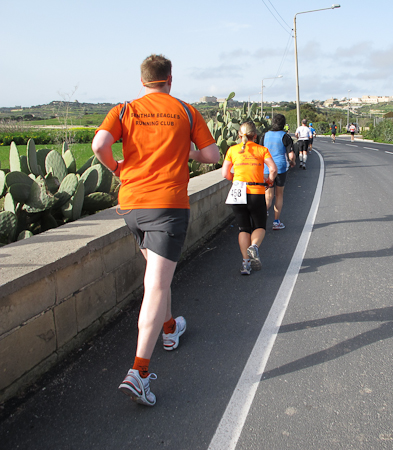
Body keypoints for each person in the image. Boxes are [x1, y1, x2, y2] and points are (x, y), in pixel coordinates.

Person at [91, 54, 220, 406]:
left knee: (157, 277)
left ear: (143, 80)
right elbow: (213, 155)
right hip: (167, 208)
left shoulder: (124, 110)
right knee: (156, 285)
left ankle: (169, 329)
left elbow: (99, 145)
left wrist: (116, 167)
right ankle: (140, 372)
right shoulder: (187, 111)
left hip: (131, 207)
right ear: (170, 79)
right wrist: (188, 153)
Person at [222, 121, 277, 275]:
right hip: (256, 192)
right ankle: (254, 247)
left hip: (237, 192)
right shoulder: (262, 150)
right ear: (255, 135)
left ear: (239, 136)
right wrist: (269, 181)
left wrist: (235, 179)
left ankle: (245, 264)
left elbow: (225, 173)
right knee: (259, 226)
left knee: (243, 228)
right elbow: (273, 169)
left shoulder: (232, 150)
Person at [260, 114, 295, 230]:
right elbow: (291, 155)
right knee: (279, 195)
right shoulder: (285, 136)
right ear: (283, 124)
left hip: (267, 169)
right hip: (280, 168)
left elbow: (259, 152)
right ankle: (276, 222)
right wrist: (292, 162)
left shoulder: (265, 135)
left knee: (268, 196)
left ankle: (261, 217)